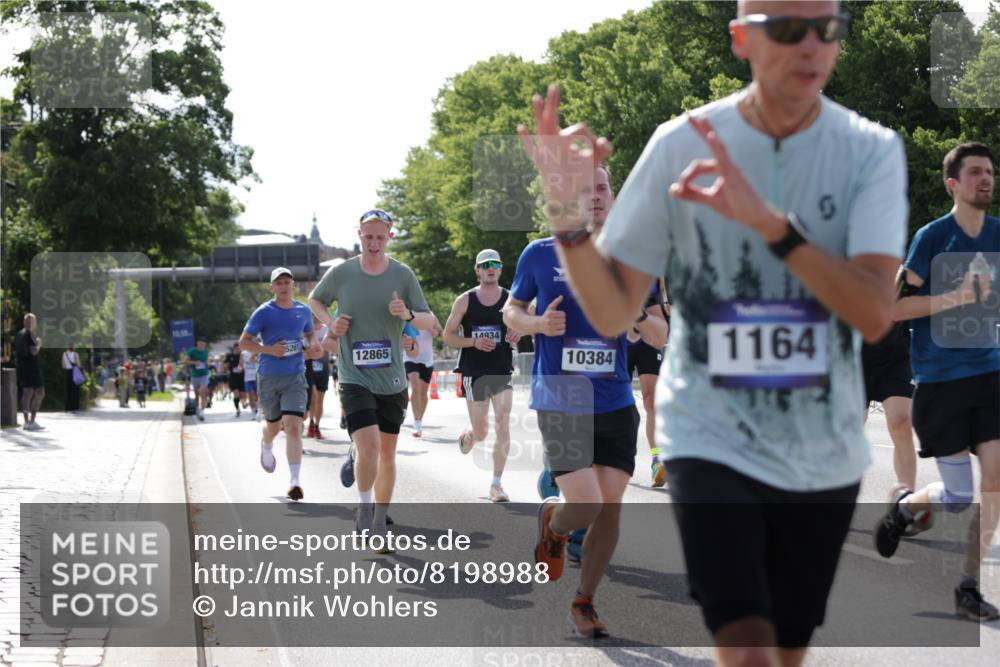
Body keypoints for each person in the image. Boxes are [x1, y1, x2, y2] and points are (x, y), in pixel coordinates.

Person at [517, 0, 906, 657]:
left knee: (785, 647)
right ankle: (564, 543)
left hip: (823, 440)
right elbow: (615, 312)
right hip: (708, 429)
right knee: (747, 644)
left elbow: (872, 312)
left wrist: (771, 227)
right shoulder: (680, 144)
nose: (810, 45)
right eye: (786, 29)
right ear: (740, 40)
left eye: (827, 29)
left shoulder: (870, 151)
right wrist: (566, 216)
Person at [503, 164, 661, 637]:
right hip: (561, 395)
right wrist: (536, 325)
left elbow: (660, 331)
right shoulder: (540, 254)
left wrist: (632, 314)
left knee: (610, 507)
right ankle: (554, 521)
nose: (595, 196)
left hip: (614, 398)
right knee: (587, 506)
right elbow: (512, 310)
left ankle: (584, 602)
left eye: (602, 187)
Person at [875, 141, 999, 621]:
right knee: (958, 496)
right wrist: (955, 299)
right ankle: (904, 508)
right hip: (940, 381)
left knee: (994, 481)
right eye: (975, 173)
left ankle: (967, 587)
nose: (985, 179)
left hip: (988, 373)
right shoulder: (932, 239)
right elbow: (893, 308)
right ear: (953, 183)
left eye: (989, 172)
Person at [308, 208, 433, 549]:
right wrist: (331, 322)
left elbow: (428, 319)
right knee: (370, 448)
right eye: (368, 236)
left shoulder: (403, 274)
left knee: (387, 456)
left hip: (392, 379)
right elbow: (315, 300)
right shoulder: (342, 273)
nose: (374, 243)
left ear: (389, 236)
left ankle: (380, 518)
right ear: (359, 235)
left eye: (381, 236)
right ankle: (365, 511)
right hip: (354, 376)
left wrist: (406, 314)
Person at [443, 250, 523, 502]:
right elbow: (448, 336)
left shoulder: (511, 299)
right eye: (485, 265)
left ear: (500, 269)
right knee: (482, 432)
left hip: (501, 369)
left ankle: (496, 484)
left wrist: (518, 332)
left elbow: (524, 323)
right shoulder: (465, 300)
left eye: (495, 265)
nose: (490, 269)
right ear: (477, 270)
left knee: (503, 419)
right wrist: (474, 342)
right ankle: (470, 435)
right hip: (474, 371)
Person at [239, 267, 317, 502]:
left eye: (287, 282)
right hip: (269, 376)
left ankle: (295, 481)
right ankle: (267, 442)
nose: (284, 286)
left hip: (295, 375)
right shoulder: (264, 312)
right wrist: (268, 350)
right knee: (273, 426)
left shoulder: (303, 311)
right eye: (279, 283)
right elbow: (244, 342)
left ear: (293, 286)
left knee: (293, 425)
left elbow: (310, 334)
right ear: (271, 287)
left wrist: (313, 345)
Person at [405, 316, 440, 438]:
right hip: (410, 357)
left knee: (423, 392)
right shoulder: (406, 314)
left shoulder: (430, 316)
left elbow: (442, 334)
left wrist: (435, 332)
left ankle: (420, 418)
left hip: (426, 359)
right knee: (415, 386)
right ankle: (417, 421)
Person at [304, 314, 334, 439]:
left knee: (320, 400)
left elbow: (330, 344)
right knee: (313, 397)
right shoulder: (305, 331)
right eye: (312, 315)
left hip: (323, 367)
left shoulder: (326, 329)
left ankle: (316, 425)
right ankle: (311, 423)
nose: (315, 317)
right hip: (309, 367)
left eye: (316, 315)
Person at [15, 313, 45, 431]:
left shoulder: (19, 333)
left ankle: (26, 422)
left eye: (31, 321)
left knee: (27, 392)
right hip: (32, 368)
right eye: (30, 321)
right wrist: (39, 344)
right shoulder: (29, 334)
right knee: (40, 393)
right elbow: (33, 352)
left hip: (22, 367)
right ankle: (32, 421)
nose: (30, 323)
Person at [186, 338, 211, 420]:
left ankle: (202, 412)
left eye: (203, 344)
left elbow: (208, 361)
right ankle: (197, 409)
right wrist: (194, 362)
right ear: (197, 344)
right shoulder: (192, 351)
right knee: (197, 394)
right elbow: (186, 361)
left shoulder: (206, 351)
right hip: (195, 375)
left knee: (202, 391)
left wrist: (208, 363)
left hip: (204, 374)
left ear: (205, 345)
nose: (201, 345)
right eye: (200, 344)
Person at [240, 347, 261, 420]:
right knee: (250, 395)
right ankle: (253, 412)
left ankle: (259, 411)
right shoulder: (243, 353)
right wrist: (240, 367)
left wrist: (255, 360)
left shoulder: (258, 350)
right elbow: (241, 364)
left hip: (257, 377)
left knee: (257, 396)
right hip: (248, 378)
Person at [225, 343, 245, 417]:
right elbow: (225, 365)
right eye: (236, 348)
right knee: (236, 393)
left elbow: (246, 364)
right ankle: (237, 409)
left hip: (242, 377)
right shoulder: (229, 355)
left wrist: (242, 368)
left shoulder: (242, 355)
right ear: (234, 348)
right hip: (233, 377)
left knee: (242, 394)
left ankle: (243, 403)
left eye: (239, 348)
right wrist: (226, 368)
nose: (238, 349)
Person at [61, 344, 82, 412]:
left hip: (67, 372)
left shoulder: (64, 354)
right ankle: (75, 407)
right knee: (75, 390)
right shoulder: (75, 354)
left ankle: (67, 407)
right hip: (74, 372)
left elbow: (63, 365)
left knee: (68, 390)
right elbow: (78, 364)